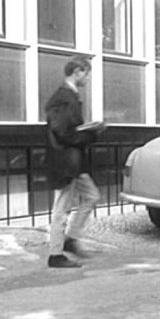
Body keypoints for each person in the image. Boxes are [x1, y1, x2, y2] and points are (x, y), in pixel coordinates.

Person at [45, 56, 106, 268]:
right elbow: (63, 132)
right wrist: (90, 134)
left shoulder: (69, 96)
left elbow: (67, 129)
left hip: (74, 161)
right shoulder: (64, 97)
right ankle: (55, 255)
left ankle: (71, 238)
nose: (88, 78)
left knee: (92, 196)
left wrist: (88, 130)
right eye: (86, 73)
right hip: (66, 161)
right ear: (77, 71)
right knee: (61, 208)